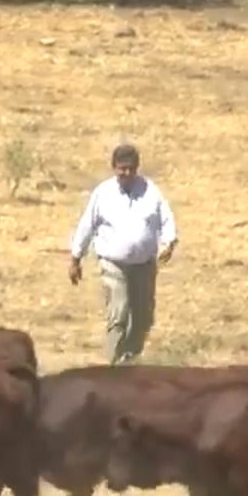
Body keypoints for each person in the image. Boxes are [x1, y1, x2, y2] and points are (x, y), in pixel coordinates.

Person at [67, 143, 178, 366]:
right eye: (121, 168)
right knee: (118, 314)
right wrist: (75, 258)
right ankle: (112, 368)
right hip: (113, 265)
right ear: (114, 168)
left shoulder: (150, 191)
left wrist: (169, 242)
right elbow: (86, 225)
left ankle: (129, 360)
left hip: (144, 265)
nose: (126, 173)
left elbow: (165, 218)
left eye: (130, 168)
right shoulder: (103, 193)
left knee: (143, 318)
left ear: (137, 168)